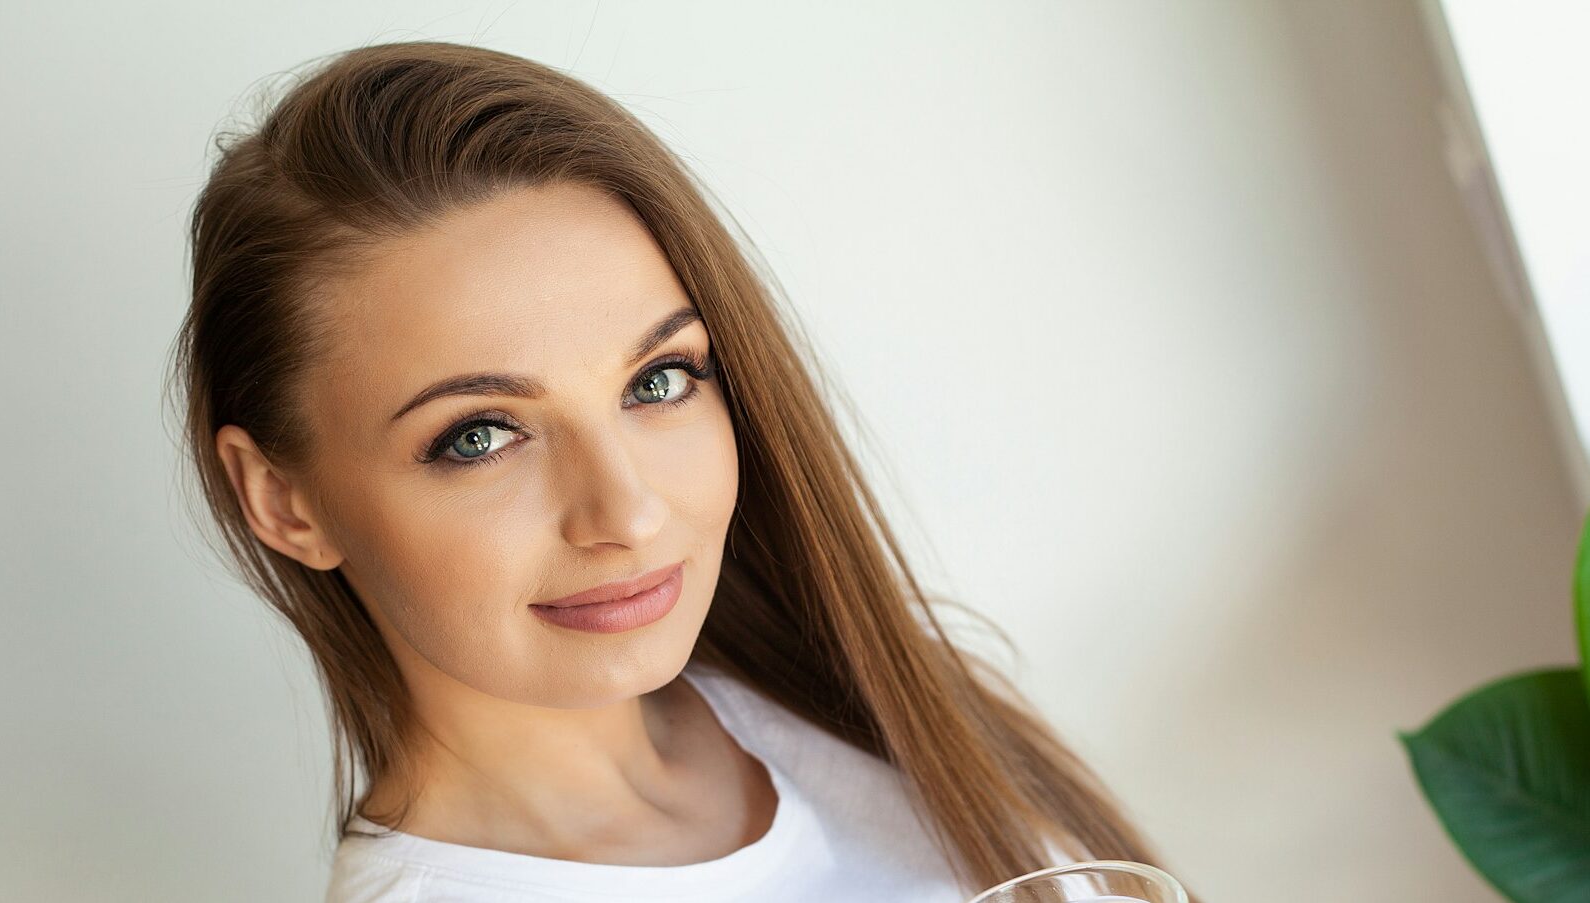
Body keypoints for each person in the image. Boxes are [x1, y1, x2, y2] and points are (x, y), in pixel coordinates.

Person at [167, 40, 1188, 902]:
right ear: (283, 501)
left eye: (657, 380)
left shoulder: (850, 692)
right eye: (478, 435)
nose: (628, 510)